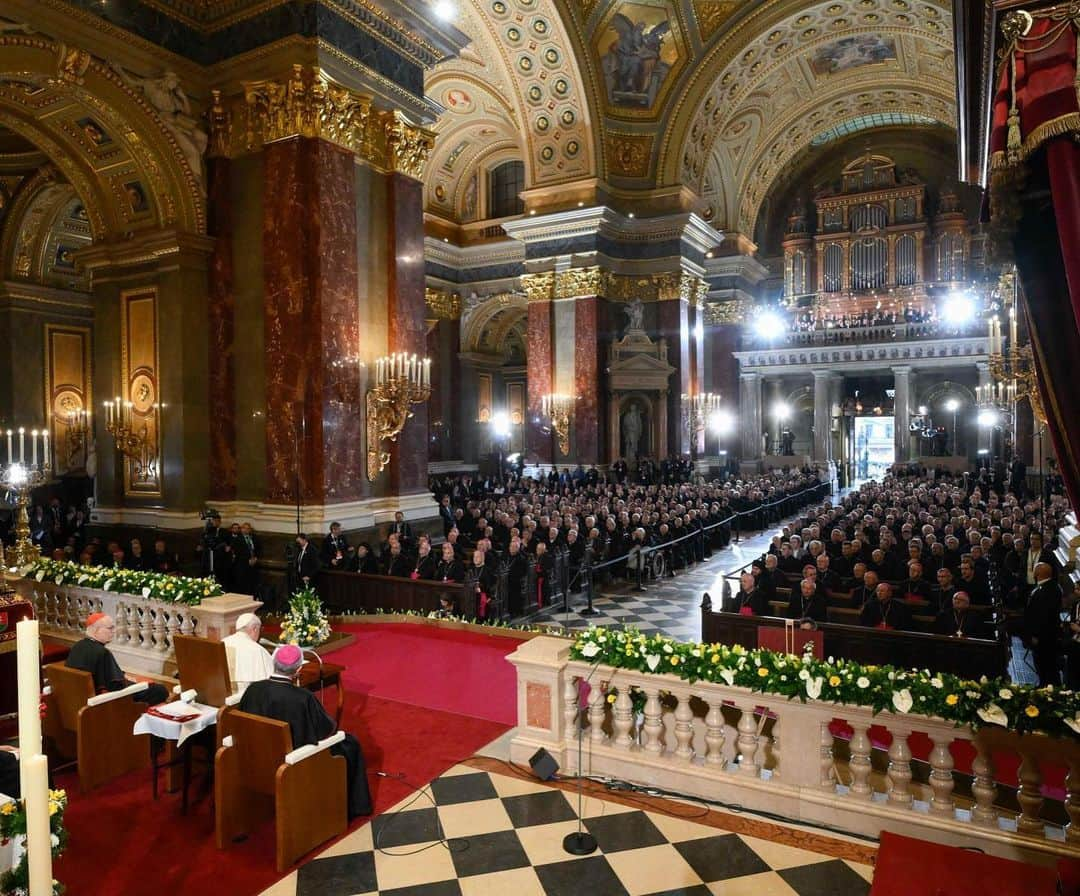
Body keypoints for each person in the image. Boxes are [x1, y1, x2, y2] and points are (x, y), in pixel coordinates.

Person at [239, 645, 372, 819]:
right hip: (295, 763)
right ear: (298, 670)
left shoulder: (253, 690)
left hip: (256, 757)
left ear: (274, 664)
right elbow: (327, 731)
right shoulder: (303, 697)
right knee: (350, 744)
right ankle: (351, 810)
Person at [66, 613, 168, 703]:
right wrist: (137, 683)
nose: (114, 631)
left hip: (79, 699)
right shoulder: (102, 652)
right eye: (110, 628)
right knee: (160, 690)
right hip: (108, 701)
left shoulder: (77, 646)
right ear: (96, 630)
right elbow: (116, 687)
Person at [1025, 562, 1062, 686]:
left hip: (1045, 636)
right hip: (1044, 635)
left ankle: (1048, 688)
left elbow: (1043, 616)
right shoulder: (1046, 587)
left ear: (1038, 572)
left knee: (1045, 663)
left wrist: (1036, 635)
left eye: (1034, 569)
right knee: (1041, 663)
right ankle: (1043, 685)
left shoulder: (1048, 590)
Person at [222, 612, 273, 696]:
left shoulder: (223, 642)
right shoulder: (258, 650)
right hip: (244, 700)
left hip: (221, 695)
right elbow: (268, 682)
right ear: (255, 629)